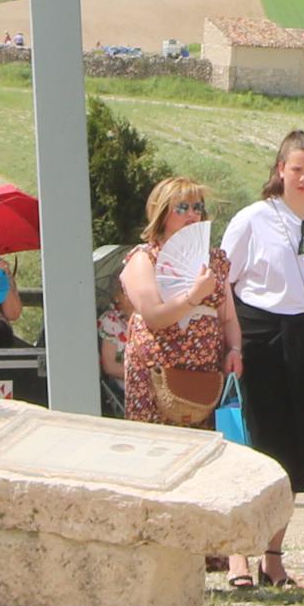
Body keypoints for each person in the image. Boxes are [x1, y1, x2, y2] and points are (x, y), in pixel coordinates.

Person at [222, 130, 304, 582]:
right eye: (296, 169)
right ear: (280, 170)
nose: (303, 178)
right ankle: (238, 553)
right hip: (260, 333)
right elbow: (225, 281)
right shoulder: (253, 218)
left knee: (300, 447)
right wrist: (233, 343)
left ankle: (273, 554)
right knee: (259, 443)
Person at [117, 181, 234, 432]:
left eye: (197, 207)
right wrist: (193, 297)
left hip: (204, 378)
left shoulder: (215, 260)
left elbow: (228, 318)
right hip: (155, 375)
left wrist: (234, 349)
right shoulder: (144, 258)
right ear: (162, 213)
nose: (192, 214)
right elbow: (153, 316)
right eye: (182, 207)